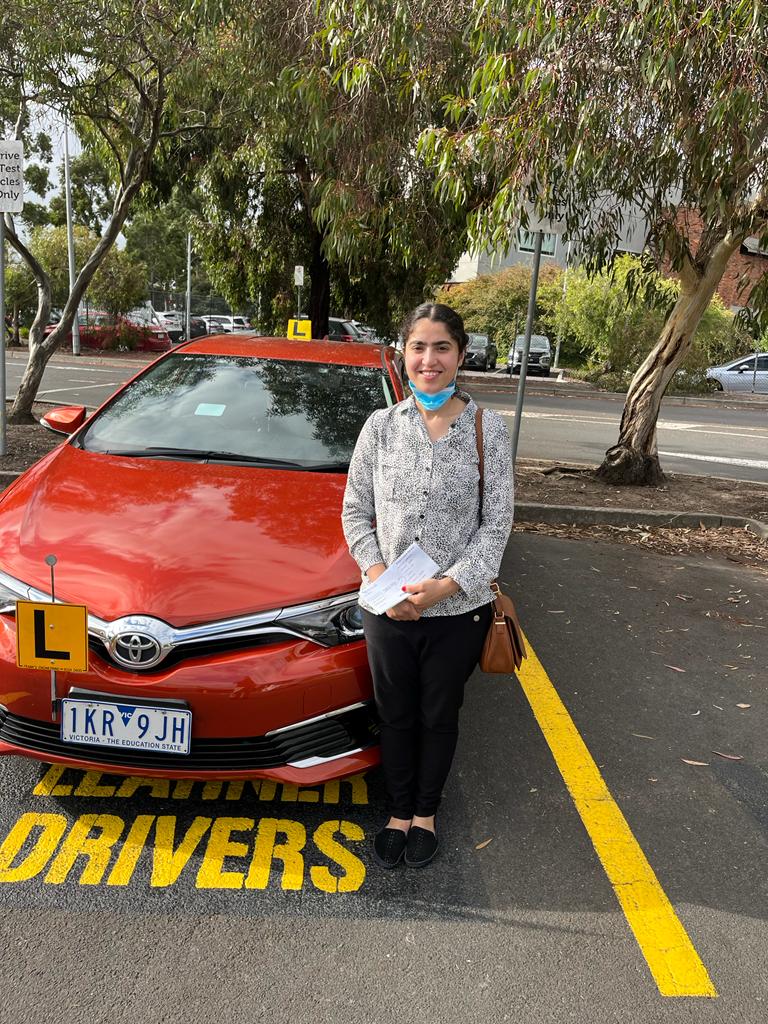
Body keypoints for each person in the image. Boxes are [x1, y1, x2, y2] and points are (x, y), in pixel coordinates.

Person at [341, 302, 514, 868]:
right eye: (418, 347)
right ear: (403, 355)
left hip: (457, 612)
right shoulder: (381, 428)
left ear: (461, 355)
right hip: (388, 610)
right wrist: (378, 579)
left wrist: (448, 586)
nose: (429, 359)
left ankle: (425, 813)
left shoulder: (488, 428)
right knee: (394, 712)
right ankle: (396, 809)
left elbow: (497, 524)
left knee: (439, 712)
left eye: (441, 347)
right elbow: (354, 513)